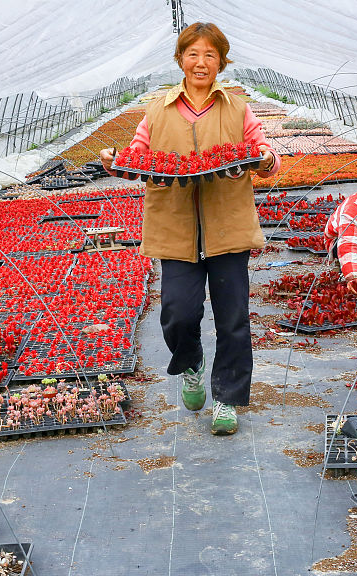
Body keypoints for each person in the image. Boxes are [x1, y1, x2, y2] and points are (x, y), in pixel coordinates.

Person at [101, 22, 278, 435]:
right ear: (180, 59)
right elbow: (138, 156)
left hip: (227, 225)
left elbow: (263, 151)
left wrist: (265, 159)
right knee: (178, 313)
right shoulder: (158, 108)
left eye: (210, 55)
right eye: (193, 54)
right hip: (175, 227)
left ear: (221, 61)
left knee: (232, 317)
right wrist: (116, 160)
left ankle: (227, 399)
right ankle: (193, 363)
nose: (201, 63)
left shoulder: (236, 107)